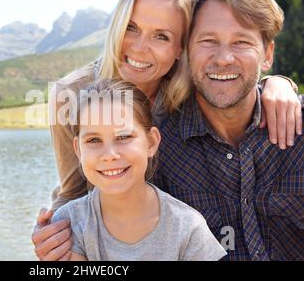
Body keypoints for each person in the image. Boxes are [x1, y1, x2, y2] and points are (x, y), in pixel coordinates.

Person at [32, 0, 302, 261]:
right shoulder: (73, 95)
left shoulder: (183, 88)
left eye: (161, 36)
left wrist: (278, 83)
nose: (139, 47)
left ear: (179, 49)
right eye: (131, 27)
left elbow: (231, 83)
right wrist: (58, 233)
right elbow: (75, 189)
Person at [153, 0, 304, 261]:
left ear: (267, 54)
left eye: (241, 42)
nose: (223, 58)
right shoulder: (160, 150)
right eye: (208, 41)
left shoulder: (300, 132)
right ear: (186, 50)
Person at [50, 78, 227, 260]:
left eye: (123, 136)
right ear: (78, 149)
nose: (109, 154)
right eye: (93, 140)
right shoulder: (68, 224)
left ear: (151, 142)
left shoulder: (188, 228)